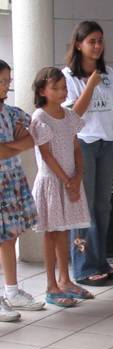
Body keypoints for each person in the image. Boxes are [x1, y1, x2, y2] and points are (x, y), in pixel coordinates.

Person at [63, 21, 113, 286]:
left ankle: (100, 260)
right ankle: (83, 266)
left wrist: (106, 129)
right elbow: (73, 114)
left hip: (106, 143)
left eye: (100, 41)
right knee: (83, 208)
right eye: (92, 41)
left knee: (103, 206)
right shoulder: (67, 76)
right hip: (83, 144)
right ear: (78, 44)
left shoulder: (108, 72)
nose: (98, 46)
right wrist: (91, 84)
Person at [30, 67, 93, 307]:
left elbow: (76, 147)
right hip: (52, 182)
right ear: (42, 91)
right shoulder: (40, 117)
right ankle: (51, 286)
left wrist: (77, 176)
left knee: (65, 230)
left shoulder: (69, 116)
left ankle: (65, 279)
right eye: (55, 88)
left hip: (70, 181)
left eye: (64, 87)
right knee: (51, 232)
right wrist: (67, 181)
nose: (61, 92)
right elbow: (46, 155)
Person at [0, 60, 45, 321]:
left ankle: (13, 290)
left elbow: (35, 135)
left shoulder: (11, 112)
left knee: (10, 236)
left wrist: (14, 145)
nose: (6, 85)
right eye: (2, 81)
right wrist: (20, 144)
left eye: (8, 80)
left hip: (12, 179)